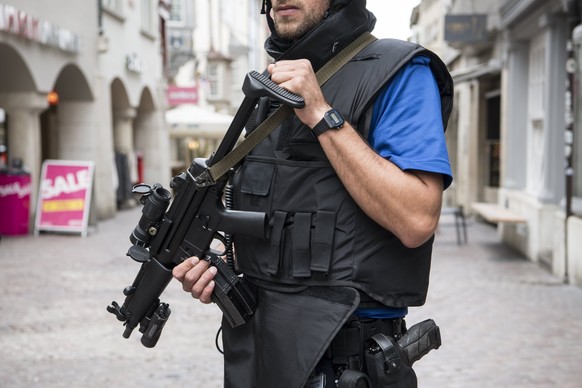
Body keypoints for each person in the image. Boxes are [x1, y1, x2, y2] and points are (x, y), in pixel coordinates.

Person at [172, 0, 453, 387]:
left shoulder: (398, 72)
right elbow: (285, 215)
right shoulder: (268, 88)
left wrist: (322, 114)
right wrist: (223, 266)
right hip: (259, 356)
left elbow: (417, 219)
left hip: (347, 363)